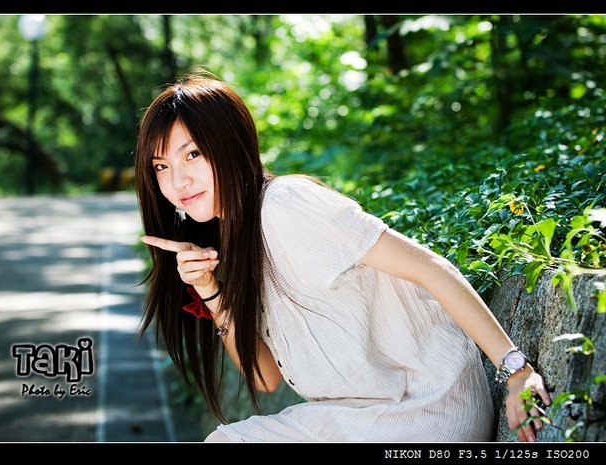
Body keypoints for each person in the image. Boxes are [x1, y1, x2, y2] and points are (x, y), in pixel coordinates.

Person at [133, 71, 550, 443]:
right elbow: (265, 377)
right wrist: (209, 289)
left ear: (230, 146)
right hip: (357, 414)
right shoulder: (238, 240)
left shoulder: (285, 205)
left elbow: (430, 268)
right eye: (161, 166)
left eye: (192, 155)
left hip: (425, 409)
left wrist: (516, 370)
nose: (178, 181)